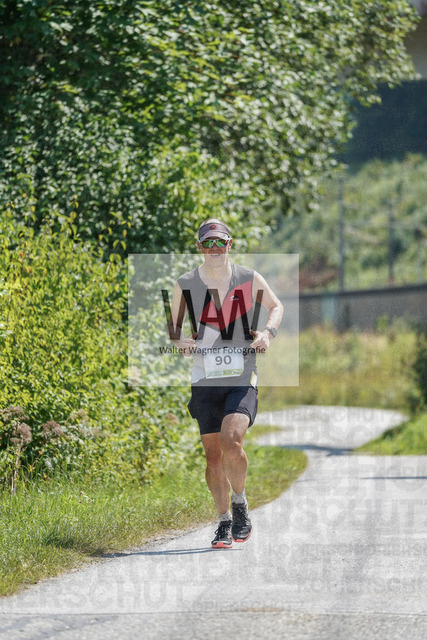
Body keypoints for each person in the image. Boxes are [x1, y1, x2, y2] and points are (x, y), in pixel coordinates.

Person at [169, 218, 283, 548]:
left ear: (230, 244)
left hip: (241, 374)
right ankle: (223, 522)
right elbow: (174, 326)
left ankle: (240, 503)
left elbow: (276, 306)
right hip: (204, 377)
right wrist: (180, 342)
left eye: (220, 242)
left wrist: (267, 333)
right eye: (208, 243)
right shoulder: (186, 283)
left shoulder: (247, 278)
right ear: (200, 247)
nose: (215, 248)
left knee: (231, 440)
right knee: (213, 457)